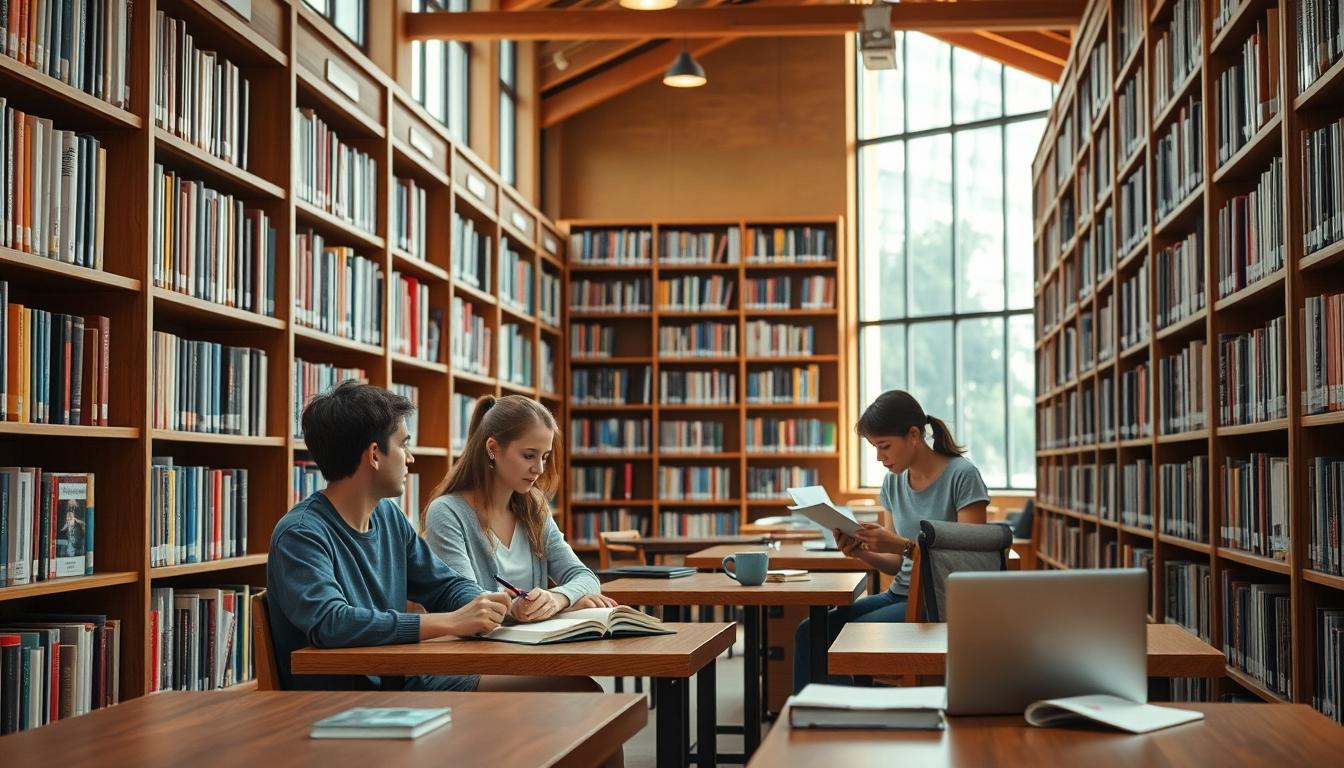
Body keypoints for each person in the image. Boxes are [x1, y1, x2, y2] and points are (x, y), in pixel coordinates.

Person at [266, 381, 604, 697]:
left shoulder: (388, 518)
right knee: (575, 691)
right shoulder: (301, 534)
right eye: (403, 444)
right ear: (373, 455)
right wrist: (450, 621)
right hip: (350, 700)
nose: (411, 458)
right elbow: (331, 623)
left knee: (578, 689)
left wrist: (489, 606)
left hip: (403, 676)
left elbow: (443, 586)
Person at [792, 389, 990, 692]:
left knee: (854, 635)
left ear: (913, 435)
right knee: (810, 631)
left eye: (884, 446)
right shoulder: (893, 482)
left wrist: (903, 545)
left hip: (941, 601)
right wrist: (862, 552)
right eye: (874, 447)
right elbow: (896, 564)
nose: (879, 457)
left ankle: (853, 716)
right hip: (900, 593)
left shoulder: (962, 476)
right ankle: (818, 719)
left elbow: (972, 561)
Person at [423, 394, 617, 624]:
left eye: (544, 457)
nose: (539, 468)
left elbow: (585, 576)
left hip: (534, 649)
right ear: (493, 448)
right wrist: (564, 607)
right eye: (528, 455)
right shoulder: (447, 513)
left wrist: (558, 599)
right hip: (478, 653)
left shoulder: (534, 508)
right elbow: (465, 601)